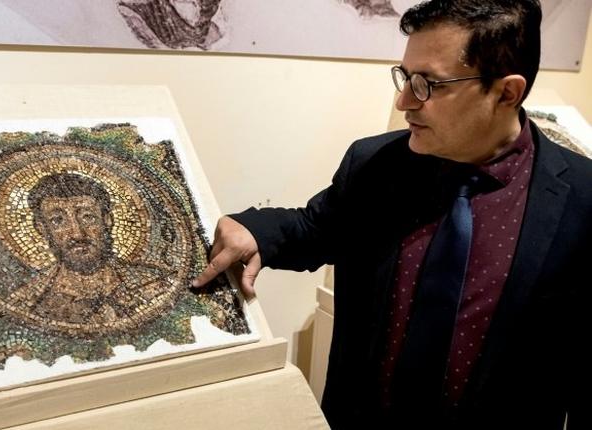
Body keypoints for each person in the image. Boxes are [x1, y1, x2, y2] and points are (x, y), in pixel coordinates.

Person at [193, 1, 592, 428]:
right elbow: (318, 227)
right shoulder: (375, 163)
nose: (404, 101)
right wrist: (254, 230)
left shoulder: (583, 199)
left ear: (507, 92)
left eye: (428, 85)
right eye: (405, 77)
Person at [13, 172, 175, 327]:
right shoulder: (28, 302)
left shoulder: (157, 284)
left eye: (87, 217)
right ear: (41, 228)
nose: (77, 233)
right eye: (58, 221)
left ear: (107, 220)